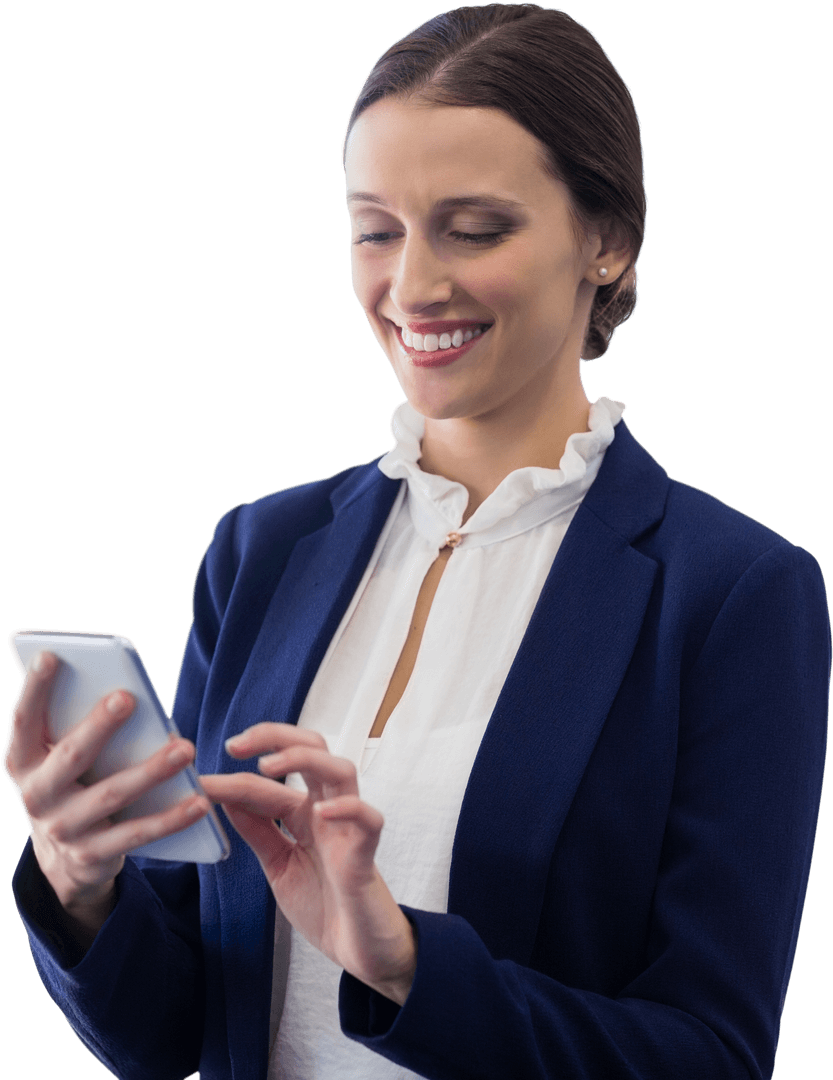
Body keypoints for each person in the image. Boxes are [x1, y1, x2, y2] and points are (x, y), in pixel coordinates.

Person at [4, 4, 830, 1078]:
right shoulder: (262, 551)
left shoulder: (728, 593)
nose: (412, 286)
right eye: (375, 230)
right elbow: (171, 1031)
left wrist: (401, 963)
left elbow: (711, 1055)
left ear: (607, 241)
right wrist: (79, 883)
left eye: (474, 229)